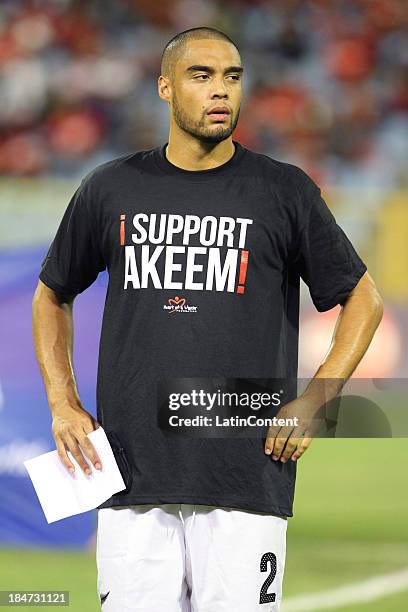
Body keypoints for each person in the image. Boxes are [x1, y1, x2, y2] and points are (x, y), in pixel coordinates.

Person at [32, 26, 384, 612]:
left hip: (246, 474)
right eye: (202, 76)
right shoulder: (111, 188)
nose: (221, 91)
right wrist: (62, 403)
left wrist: (316, 399)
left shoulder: (282, 191)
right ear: (166, 88)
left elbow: (362, 297)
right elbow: (52, 294)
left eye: (233, 77)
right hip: (130, 475)